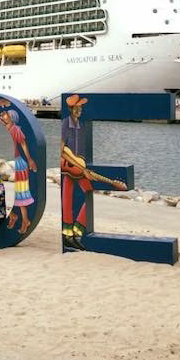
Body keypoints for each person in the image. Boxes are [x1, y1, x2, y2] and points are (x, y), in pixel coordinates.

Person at [60, 94, 126, 249]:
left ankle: (76, 230)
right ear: (72, 109)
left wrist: (81, 165)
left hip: (78, 166)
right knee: (67, 198)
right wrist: (79, 165)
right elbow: (62, 149)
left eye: (81, 107)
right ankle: (69, 234)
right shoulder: (65, 124)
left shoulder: (80, 126)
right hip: (69, 166)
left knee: (88, 191)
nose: (80, 110)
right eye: (78, 107)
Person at [0, 98, 37, 233]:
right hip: (7, 161)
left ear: (11, 118)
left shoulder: (15, 130)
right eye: (3, 114)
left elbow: (23, 144)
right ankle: (14, 215)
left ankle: (25, 220)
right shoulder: (3, 126)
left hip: (18, 163)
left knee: (21, 195)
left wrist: (30, 160)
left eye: (5, 114)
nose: (2, 115)